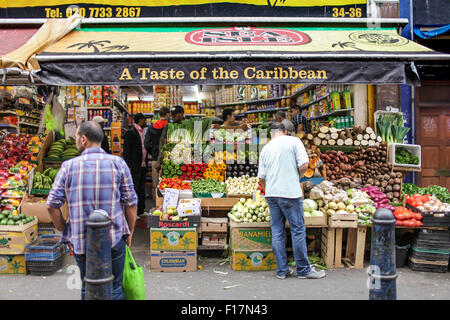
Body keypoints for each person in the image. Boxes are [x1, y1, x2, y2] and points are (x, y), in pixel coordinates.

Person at [47, 121, 138, 300]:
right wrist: (130, 231)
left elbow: (52, 205)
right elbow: (131, 203)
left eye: (76, 139)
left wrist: (63, 228)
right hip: (114, 238)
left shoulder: (68, 166)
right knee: (116, 288)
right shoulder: (118, 163)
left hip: (82, 241)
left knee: (88, 287)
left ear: (83, 139)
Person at [257, 122, 326, 280]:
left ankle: (282, 270)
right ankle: (303, 270)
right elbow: (304, 164)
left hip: (272, 194)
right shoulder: (294, 141)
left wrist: (270, 188)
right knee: (298, 230)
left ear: (272, 133)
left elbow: (261, 178)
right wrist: (298, 176)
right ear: (284, 131)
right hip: (289, 193)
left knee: (277, 231)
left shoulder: (266, 148)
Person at [123, 113, 148, 218]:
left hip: (142, 164)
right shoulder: (131, 132)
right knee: (135, 189)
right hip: (135, 166)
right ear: (140, 121)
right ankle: (134, 213)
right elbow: (127, 151)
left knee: (141, 188)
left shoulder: (142, 132)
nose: (146, 122)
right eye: (144, 120)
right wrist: (129, 165)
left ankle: (141, 210)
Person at [144, 107, 170, 200]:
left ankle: (157, 204)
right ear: (167, 114)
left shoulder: (151, 127)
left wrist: (153, 152)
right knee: (169, 183)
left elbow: (146, 143)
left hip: (155, 158)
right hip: (168, 159)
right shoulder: (170, 126)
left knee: (156, 184)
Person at [155, 105, 185, 171]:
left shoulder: (189, 125)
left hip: (186, 161)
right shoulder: (168, 127)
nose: (172, 117)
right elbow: (162, 143)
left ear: (181, 114)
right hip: (170, 161)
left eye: (175, 115)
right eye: (172, 115)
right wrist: (159, 161)